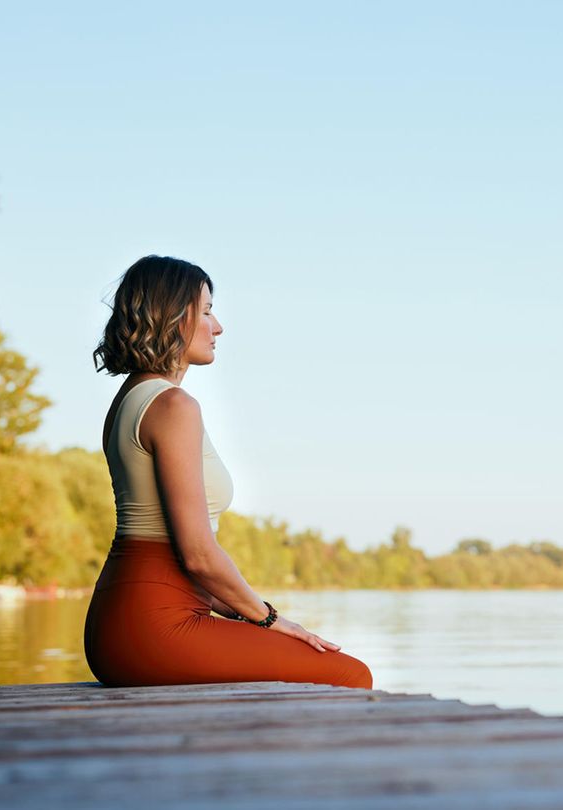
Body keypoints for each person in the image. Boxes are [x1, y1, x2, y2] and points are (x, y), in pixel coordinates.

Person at [83, 254, 373, 689]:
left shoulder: (130, 399)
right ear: (172, 316)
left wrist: (252, 615)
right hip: (151, 628)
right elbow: (198, 555)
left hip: (122, 621)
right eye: (206, 311)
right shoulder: (173, 407)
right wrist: (271, 619)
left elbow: (181, 556)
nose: (217, 326)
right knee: (350, 676)